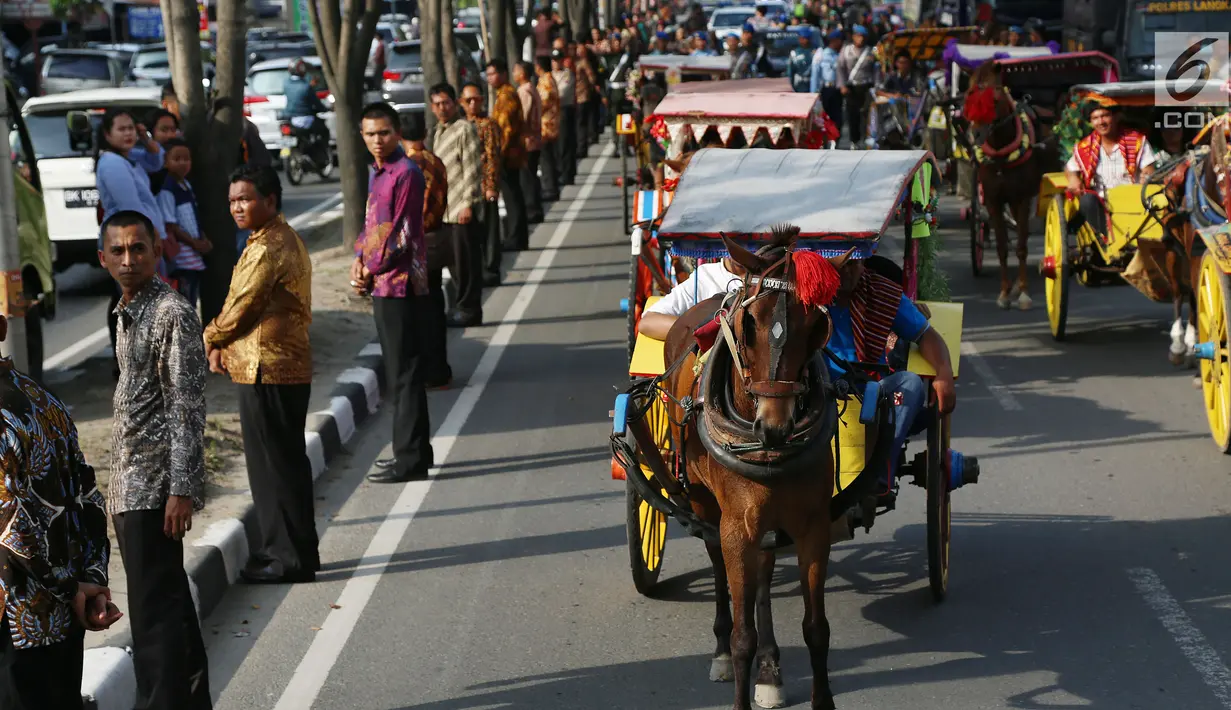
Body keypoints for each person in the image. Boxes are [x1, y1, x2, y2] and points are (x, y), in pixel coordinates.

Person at [638, 244, 974, 501]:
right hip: (808, 385)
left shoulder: (881, 293)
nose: (851, 272)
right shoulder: (795, 297)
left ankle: (878, 472)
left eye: (856, 263)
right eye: (842, 265)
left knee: (910, 384)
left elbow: (925, 335)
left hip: (864, 383)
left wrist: (943, 373)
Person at [99, 208, 211, 710]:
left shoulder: (173, 313)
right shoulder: (124, 311)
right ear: (102, 258)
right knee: (170, 610)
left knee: (153, 618)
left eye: (138, 248)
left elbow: (186, 406)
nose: (128, 259)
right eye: (118, 250)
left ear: (156, 250)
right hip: (129, 486)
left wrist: (180, 489)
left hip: (155, 490)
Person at [205, 166, 319, 583]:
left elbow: (243, 305)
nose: (237, 206)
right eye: (233, 199)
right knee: (283, 463)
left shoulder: (270, 245)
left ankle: (284, 558)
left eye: (246, 198)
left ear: (270, 201)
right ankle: (295, 552)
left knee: (273, 466)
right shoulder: (268, 239)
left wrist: (211, 336)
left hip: (267, 368)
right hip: (272, 366)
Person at [0, 307, 117, 710]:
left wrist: (71, 587)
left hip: (15, 621)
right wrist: (91, 580)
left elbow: (11, 525)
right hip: (69, 614)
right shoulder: (45, 400)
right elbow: (88, 496)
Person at [350, 102, 435, 484]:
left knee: (405, 375)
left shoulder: (407, 173)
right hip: (384, 283)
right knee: (399, 373)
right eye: (370, 134)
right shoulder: (378, 172)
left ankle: (411, 459)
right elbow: (372, 225)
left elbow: (399, 236)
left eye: (383, 132)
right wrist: (358, 258)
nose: (377, 141)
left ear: (398, 131)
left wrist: (368, 267)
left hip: (402, 286)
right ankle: (412, 453)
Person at [95, 108, 170, 374]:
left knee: (137, 299)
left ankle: (139, 362)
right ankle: (133, 364)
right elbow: (131, 208)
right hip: (130, 242)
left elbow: (158, 160)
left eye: (131, 128)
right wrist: (154, 240)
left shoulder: (129, 157)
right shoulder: (112, 163)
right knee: (134, 302)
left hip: (142, 241)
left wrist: (145, 137)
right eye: (122, 129)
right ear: (107, 134)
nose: (128, 134)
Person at [401, 113, 452, 387]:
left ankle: (430, 370)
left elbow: (412, 213)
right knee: (434, 305)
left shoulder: (407, 167)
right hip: (437, 240)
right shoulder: (437, 162)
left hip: (418, 246)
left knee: (421, 312)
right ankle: (440, 368)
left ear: (399, 135)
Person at [429, 85, 485, 329]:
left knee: (466, 263)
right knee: (454, 262)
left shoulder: (464, 129)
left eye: (447, 103)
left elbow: (473, 169)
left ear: (455, 103)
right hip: (446, 210)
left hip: (461, 207)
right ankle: (461, 307)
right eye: (438, 104)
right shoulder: (438, 132)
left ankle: (469, 309)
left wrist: (468, 204)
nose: (443, 108)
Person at [1065, 103, 1157, 236]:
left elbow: (1148, 168)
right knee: (1086, 201)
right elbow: (1070, 168)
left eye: (1105, 116)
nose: (1101, 122)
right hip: (1101, 205)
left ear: (1117, 117)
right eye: (1095, 118)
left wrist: (1146, 177)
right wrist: (1073, 179)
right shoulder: (1085, 147)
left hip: (1134, 201)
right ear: (1091, 122)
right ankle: (1106, 239)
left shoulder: (1136, 141)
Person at [157, 138, 212, 308]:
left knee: (192, 299)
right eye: (177, 159)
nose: (183, 163)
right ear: (165, 161)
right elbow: (170, 225)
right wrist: (194, 243)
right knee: (184, 301)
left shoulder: (186, 185)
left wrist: (202, 239)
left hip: (193, 254)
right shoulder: (167, 189)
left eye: (186, 159)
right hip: (182, 257)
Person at [460, 82, 504, 287]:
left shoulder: (488, 125)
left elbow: (493, 157)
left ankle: (490, 268)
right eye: (468, 100)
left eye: (476, 99)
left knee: (489, 230)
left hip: (485, 185)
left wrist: (491, 185)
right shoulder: (461, 126)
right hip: (466, 189)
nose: (472, 104)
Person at [487, 59, 530, 253]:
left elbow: (505, 129)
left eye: (493, 73)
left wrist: (498, 154)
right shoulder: (502, 94)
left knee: (512, 195)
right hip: (510, 152)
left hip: (508, 154)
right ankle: (517, 236)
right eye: (487, 74)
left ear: (503, 74)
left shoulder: (506, 96)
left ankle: (515, 237)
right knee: (513, 194)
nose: (490, 78)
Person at [513, 61, 546, 225]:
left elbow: (523, 117)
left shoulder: (524, 91)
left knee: (528, 178)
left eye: (516, 70)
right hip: (534, 138)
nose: (514, 74)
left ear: (523, 73)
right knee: (531, 175)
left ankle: (532, 210)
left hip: (528, 140)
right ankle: (535, 208)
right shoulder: (532, 88)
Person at [284, 59, 330, 168]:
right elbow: (316, 103)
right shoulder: (306, 87)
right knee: (324, 131)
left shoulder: (286, 84)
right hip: (306, 118)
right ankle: (320, 156)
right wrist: (324, 108)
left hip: (291, 118)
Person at [837, 25, 876, 149]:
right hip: (851, 87)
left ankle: (866, 138)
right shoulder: (846, 50)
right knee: (852, 114)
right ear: (854, 37)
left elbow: (876, 70)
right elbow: (840, 68)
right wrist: (842, 85)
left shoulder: (871, 51)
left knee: (866, 114)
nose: (861, 39)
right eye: (858, 36)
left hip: (866, 86)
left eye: (863, 37)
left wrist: (876, 86)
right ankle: (854, 140)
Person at [551, 48, 578, 186]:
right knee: (556, 145)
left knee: (565, 143)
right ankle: (559, 172)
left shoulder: (568, 75)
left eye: (558, 60)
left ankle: (567, 173)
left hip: (564, 109)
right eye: (554, 60)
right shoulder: (549, 76)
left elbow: (562, 92)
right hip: (552, 113)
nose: (556, 63)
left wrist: (549, 95)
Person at [536, 58, 562, 202]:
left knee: (546, 159)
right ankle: (551, 187)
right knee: (548, 157)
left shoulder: (546, 80)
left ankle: (550, 189)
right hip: (549, 124)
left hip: (547, 125)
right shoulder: (546, 79)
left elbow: (544, 102)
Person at [812, 30, 843, 127]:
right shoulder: (821, 54)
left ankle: (835, 139)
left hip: (837, 89)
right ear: (835, 41)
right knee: (825, 117)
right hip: (826, 89)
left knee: (837, 117)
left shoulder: (840, 55)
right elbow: (815, 75)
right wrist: (814, 93)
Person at [786, 27, 816, 93]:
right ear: (799, 38)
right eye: (803, 38)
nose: (805, 40)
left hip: (813, 86)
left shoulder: (816, 51)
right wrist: (792, 87)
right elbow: (790, 72)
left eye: (807, 38)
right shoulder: (794, 53)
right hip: (799, 87)